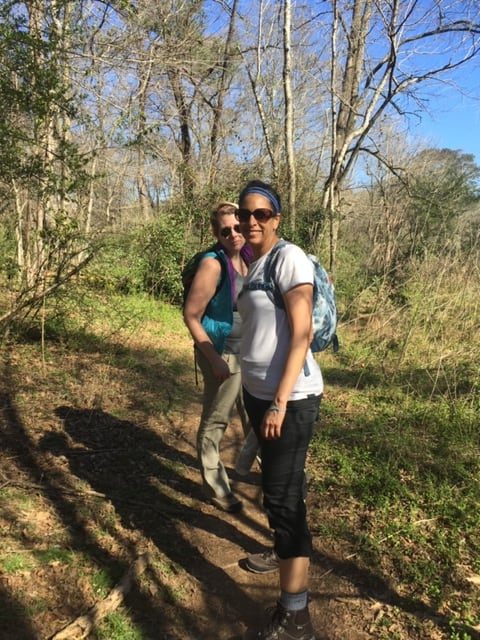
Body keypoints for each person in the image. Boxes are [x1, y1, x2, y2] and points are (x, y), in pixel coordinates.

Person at [236, 180, 322, 639]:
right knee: (279, 488)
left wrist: (280, 403)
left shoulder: (290, 257)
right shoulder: (256, 264)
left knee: (284, 499)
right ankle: (282, 551)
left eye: (261, 214)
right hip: (259, 395)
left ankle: (296, 615)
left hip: (288, 399)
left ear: (277, 219)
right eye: (246, 214)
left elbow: (302, 332)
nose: (252, 221)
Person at [183, 202, 254, 513]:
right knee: (216, 420)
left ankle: (266, 471)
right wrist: (213, 358)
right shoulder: (213, 264)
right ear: (217, 234)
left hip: (251, 352)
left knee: (255, 416)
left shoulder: (251, 257)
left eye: (237, 227)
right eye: (225, 231)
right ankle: (215, 486)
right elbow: (192, 315)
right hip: (222, 352)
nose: (233, 234)